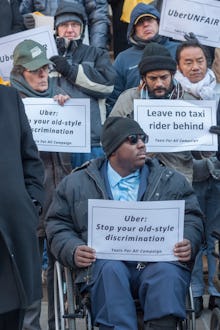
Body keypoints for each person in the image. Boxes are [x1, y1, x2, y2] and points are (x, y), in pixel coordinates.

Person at [45, 116, 204, 330]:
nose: (141, 144)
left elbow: (192, 217)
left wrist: (188, 240)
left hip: (155, 261)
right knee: (110, 270)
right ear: (112, 150)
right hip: (104, 265)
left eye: (143, 138)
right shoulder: (76, 183)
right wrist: (73, 249)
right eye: (132, 139)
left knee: (166, 272)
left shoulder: (169, 179)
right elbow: (57, 224)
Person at [10, 39, 72, 330]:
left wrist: (64, 108)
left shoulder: (59, 99)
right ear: (20, 72)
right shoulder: (9, 106)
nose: (43, 76)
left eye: (45, 69)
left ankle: (57, 325)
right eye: (36, 71)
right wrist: (29, 200)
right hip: (28, 204)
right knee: (29, 277)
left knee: (60, 274)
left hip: (59, 200)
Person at [175, 39, 220, 318]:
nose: (195, 67)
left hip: (217, 174)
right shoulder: (172, 96)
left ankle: (216, 292)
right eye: (188, 62)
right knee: (189, 234)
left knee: (217, 234)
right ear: (178, 65)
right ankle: (191, 292)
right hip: (187, 175)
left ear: (208, 62)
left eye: (199, 61)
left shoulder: (219, 93)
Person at [110, 42, 198, 183]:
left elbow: (200, 154)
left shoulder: (190, 102)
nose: (159, 84)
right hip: (135, 179)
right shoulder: (128, 100)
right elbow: (109, 142)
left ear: (173, 74)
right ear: (144, 78)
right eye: (153, 78)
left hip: (178, 179)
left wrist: (210, 135)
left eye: (164, 77)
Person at [49, 1, 116, 169]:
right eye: (64, 25)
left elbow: (107, 86)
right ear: (56, 29)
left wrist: (70, 71)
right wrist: (54, 96)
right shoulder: (46, 55)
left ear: (82, 29)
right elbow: (36, 88)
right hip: (54, 137)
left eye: (75, 25)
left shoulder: (96, 53)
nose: (70, 29)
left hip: (90, 141)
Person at [0, 84, 44, 330]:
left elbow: (30, 157)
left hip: (10, 228)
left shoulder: (8, 98)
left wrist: (32, 202)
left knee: (11, 315)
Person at [106, 2, 179, 113]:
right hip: (135, 122)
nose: (145, 25)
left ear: (159, 23)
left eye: (149, 20)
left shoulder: (180, 50)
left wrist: (199, 50)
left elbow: (198, 82)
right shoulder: (123, 59)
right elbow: (113, 99)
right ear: (133, 29)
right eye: (140, 22)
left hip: (178, 117)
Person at [20, 0, 110, 50]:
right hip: (44, 50)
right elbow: (23, 11)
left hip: (78, 48)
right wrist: (25, 19)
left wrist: (97, 50)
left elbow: (98, 18)